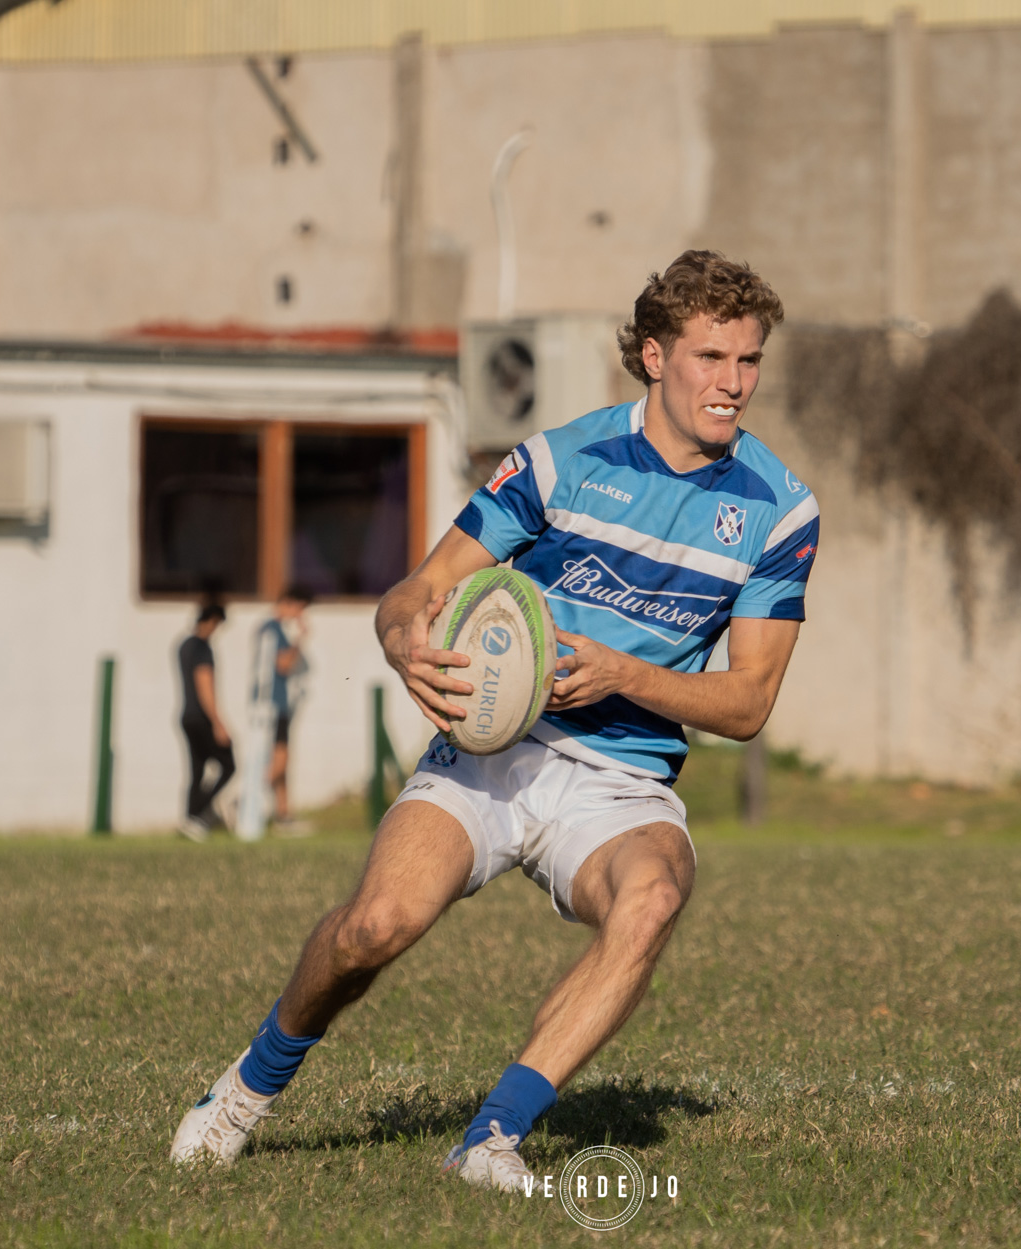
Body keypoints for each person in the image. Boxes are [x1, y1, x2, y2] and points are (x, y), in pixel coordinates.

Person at [169, 250, 820, 1189]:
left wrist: (620, 673)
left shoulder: (779, 509)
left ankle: (490, 1138)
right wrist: (403, 642)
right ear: (652, 355)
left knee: (653, 899)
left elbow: (750, 700)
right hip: (491, 745)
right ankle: (245, 1089)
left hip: (621, 780)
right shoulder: (561, 461)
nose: (733, 383)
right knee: (373, 928)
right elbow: (422, 588)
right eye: (710, 357)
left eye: (748, 361)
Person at [252, 585, 312, 825]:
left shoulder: (272, 629)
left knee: (282, 759)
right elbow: (283, 665)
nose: (301, 615)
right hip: (273, 704)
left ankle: (283, 813)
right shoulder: (273, 629)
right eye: (300, 608)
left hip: (278, 704)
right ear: (290, 602)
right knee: (280, 759)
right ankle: (245, 799)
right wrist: (300, 639)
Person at [177, 603, 234, 840]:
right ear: (210, 621)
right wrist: (218, 722)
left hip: (187, 715)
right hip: (202, 717)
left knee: (197, 770)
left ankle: (191, 819)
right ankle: (197, 816)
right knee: (229, 764)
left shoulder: (184, 645)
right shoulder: (202, 648)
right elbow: (204, 685)